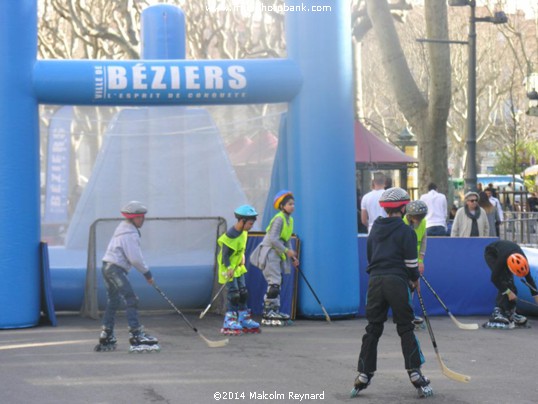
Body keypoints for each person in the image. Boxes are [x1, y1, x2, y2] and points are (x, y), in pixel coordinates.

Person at [352, 187, 433, 399]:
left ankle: (363, 374)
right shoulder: (406, 231)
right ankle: (415, 373)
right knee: (405, 328)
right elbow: (411, 262)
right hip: (397, 282)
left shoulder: (375, 228)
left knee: (373, 328)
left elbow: (370, 256)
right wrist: (414, 279)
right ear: (404, 207)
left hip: (375, 282)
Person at [94, 201, 159, 353]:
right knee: (131, 299)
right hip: (115, 269)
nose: (143, 220)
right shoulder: (129, 233)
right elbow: (135, 258)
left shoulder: (123, 229)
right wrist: (147, 274)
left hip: (107, 267)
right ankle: (136, 334)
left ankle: (107, 334)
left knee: (114, 300)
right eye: (141, 217)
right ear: (134, 218)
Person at [251, 190, 299, 327]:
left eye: (293, 204)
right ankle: (268, 311)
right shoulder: (279, 218)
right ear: (282, 205)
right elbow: (273, 239)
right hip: (270, 252)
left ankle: (274, 309)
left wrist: (293, 257)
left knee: (277, 281)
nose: (292, 206)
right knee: (274, 282)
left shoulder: (289, 220)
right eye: (290, 204)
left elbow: (286, 239)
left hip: (278, 254)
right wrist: (286, 251)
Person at [217, 205, 260, 335]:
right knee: (234, 294)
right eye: (250, 223)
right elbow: (224, 255)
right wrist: (229, 268)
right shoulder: (230, 235)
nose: (251, 226)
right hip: (228, 268)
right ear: (242, 221)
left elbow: (241, 248)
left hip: (238, 267)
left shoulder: (244, 232)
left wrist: (242, 256)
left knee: (243, 292)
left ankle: (243, 318)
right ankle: (229, 320)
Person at [483, 240, 538, 329]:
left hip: (508, 251)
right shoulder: (502, 260)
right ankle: (498, 311)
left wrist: (536, 295)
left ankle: (510, 312)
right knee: (504, 280)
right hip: (492, 253)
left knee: (511, 283)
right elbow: (494, 279)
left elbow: (530, 280)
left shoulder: (524, 261)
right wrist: (508, 292)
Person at [403, 200, 428, 327]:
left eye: (421, 217)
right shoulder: (402, 224)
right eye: (416, 217)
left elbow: (423, 241)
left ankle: (409, 314)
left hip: (414, 259)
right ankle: (405, 314)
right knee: (404, 286)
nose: (419, 220)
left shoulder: (423, 223)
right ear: (410, 215)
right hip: (403, 260)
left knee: (412, 286)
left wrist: (420, 260)